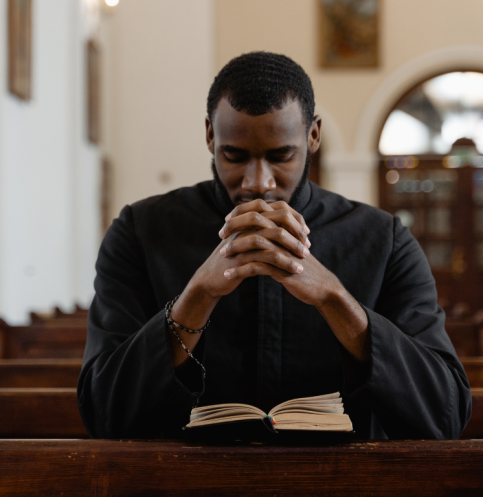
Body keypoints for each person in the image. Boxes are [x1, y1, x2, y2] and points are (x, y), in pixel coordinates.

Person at [78, 52, 471, 439]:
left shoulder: (384, 239)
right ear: (210, 135)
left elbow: (444, 416)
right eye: (234, 156)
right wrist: (198, 294)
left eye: (281, 156)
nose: (258, 182)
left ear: (312, 134)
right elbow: (104, 415)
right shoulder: (140, 231)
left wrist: (334, 298)